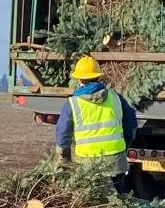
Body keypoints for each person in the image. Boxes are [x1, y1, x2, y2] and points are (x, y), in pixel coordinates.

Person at [54, 55, 138, 190]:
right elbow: (132, 124)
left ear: (79, 80)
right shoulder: (115, 97)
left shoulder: (73, 103)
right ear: (98, 77)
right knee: (118, 202)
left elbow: (63, 136)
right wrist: (124, 145)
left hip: (86, 167)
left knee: (91, 206)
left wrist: (64, 161)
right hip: (115, 164)